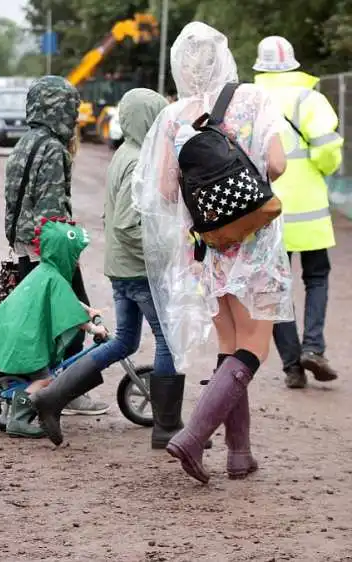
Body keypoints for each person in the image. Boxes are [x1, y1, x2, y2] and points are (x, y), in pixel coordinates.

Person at [132, 22, 292, 484]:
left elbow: (163, 191)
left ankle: (238, 454)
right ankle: (194, 437)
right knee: (255, 348)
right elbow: (277, 164)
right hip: (254, 244)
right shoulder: (255, 100)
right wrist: (246, 185)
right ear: (223, 58)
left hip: (205, 248)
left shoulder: (173, 116)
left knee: (229, 347)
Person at [27, 88, 212, 449]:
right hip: (140, 270)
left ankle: (51, 398)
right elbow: (130, 223)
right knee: (169, 342)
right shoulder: (139, 159)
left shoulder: (123, 154)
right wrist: (166, 251)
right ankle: (168, 426)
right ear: (149, 119)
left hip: (122, 268)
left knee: (124, 341)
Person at [0, 76, 109, 417]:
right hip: (45, 247)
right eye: (71, 108)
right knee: (73, 314)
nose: (75, 116)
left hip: (24, 243)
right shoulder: (51, 148)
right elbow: (50, 210)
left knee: (20, 318)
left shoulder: (25, 142)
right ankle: (69, 390)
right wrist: (66, 253)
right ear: (58, 108)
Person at [253, 36, 344, 389]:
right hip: (308, 207)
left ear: (259, 67)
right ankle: (314, 347)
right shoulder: (310, 98)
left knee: (277, 286)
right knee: (316, 276)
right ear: (293, 63)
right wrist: (322, 168)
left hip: (263, 209)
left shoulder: (250, 99)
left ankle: (292, 366)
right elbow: (327, 147)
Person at [0, 218, 107, 438]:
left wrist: (88, 309)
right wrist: (93, 328)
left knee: (39, 374)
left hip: (15, 332)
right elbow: (68, 313)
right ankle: (19, 420)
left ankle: (18, 410)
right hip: (26, 341)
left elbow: (66, 301)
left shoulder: (44, 272)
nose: (77, 260)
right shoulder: (56, 279)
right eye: (74, 254)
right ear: (63, 253)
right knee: (45, 379)